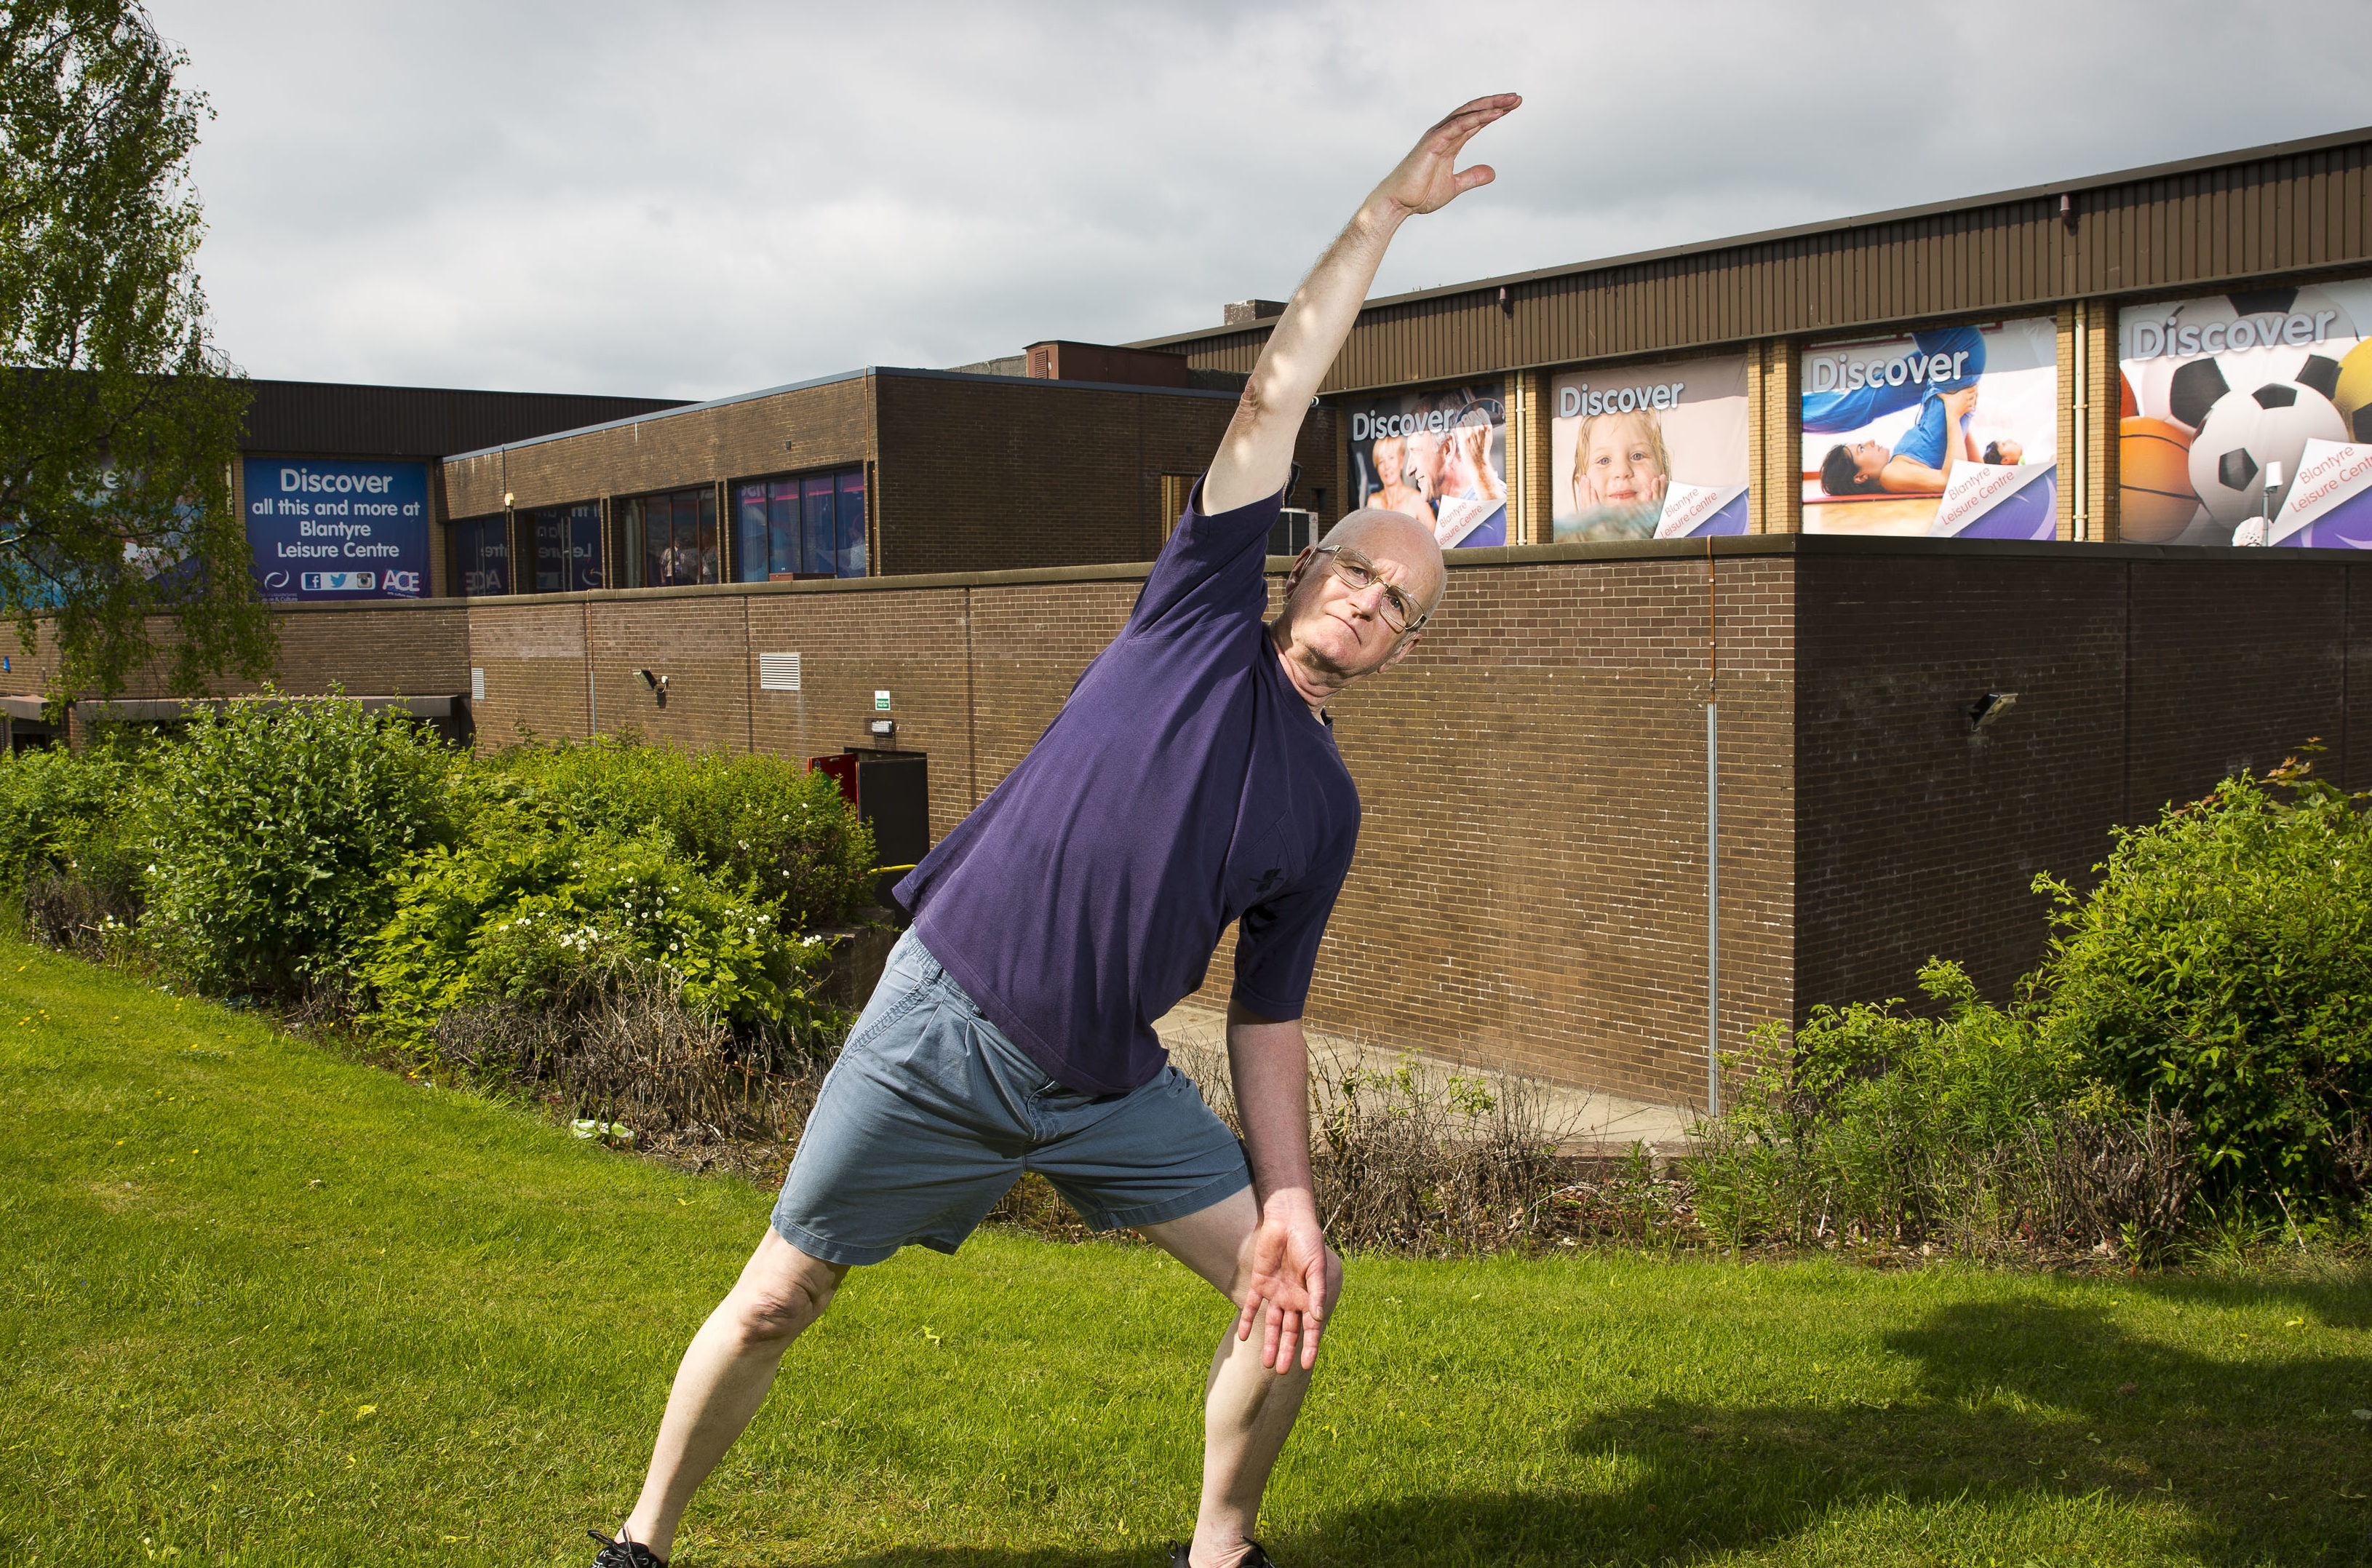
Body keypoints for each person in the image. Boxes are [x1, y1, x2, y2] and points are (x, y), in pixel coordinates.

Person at [583, 91, 1521, 1568]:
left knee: (1292, 1294)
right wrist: (1379, 222)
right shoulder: (1196, 613)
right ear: (1302, 564)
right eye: (1357, 570)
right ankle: (638, 1542)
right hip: (943, 1023)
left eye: (1405, 605)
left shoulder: (1324, 809)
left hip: (1101, 1086)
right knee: (777, 1294)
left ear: (1408, 646)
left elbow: (1268, 1019)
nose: (1370, 602)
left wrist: (1288, 1198)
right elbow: (1273, 392)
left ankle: (1219, 1551)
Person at [1818, 381, 1981, 496]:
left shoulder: (1895, 468)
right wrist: (1954, 415)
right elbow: (1950, 481)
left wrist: (1961, 419)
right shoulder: (1890, 476)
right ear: (1860, 477)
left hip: (1950, 396)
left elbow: (1980, 470)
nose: (1871, 442)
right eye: (1862, 449)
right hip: (1950, 394)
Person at [1361, 431, 1435, 527]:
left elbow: (1436, 539)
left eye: (1391, 458)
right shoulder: (1374, 502)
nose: (1387, 466)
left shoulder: (1416, 500)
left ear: (1401, 461)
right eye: (1381, 461)